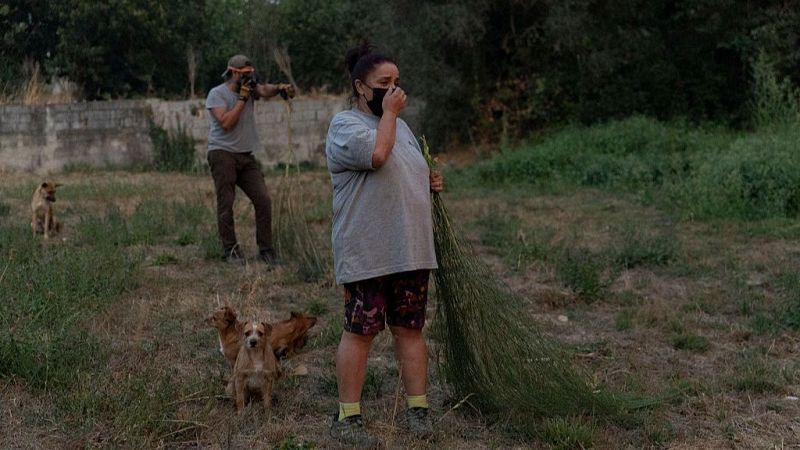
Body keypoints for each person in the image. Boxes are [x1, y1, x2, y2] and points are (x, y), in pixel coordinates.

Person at [324, 44, 444, 447]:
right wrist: (390, 114)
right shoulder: (345, 126)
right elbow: (377, 155)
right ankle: (349, 416)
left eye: (397, 82)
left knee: (410, 329)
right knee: (360, 332)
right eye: (383, 84)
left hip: (409, 249)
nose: (394, 90)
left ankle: (418, 410)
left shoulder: (402, 127)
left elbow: (401, 167)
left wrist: (428, 182)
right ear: (361, 87)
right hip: (368, 252)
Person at [205, 54, 294, 265]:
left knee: (263, 199)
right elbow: (226, 123)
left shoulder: (251, 89)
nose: (249, 78)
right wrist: (242, 99)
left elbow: (264, 90)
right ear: (234, 72)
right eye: (245, 74)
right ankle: (231, 250)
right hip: (222, 153)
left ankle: (265, 250)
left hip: (245, 155)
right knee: (226, 203)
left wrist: (281, 88)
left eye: (251, 73)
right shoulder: (216, 94)